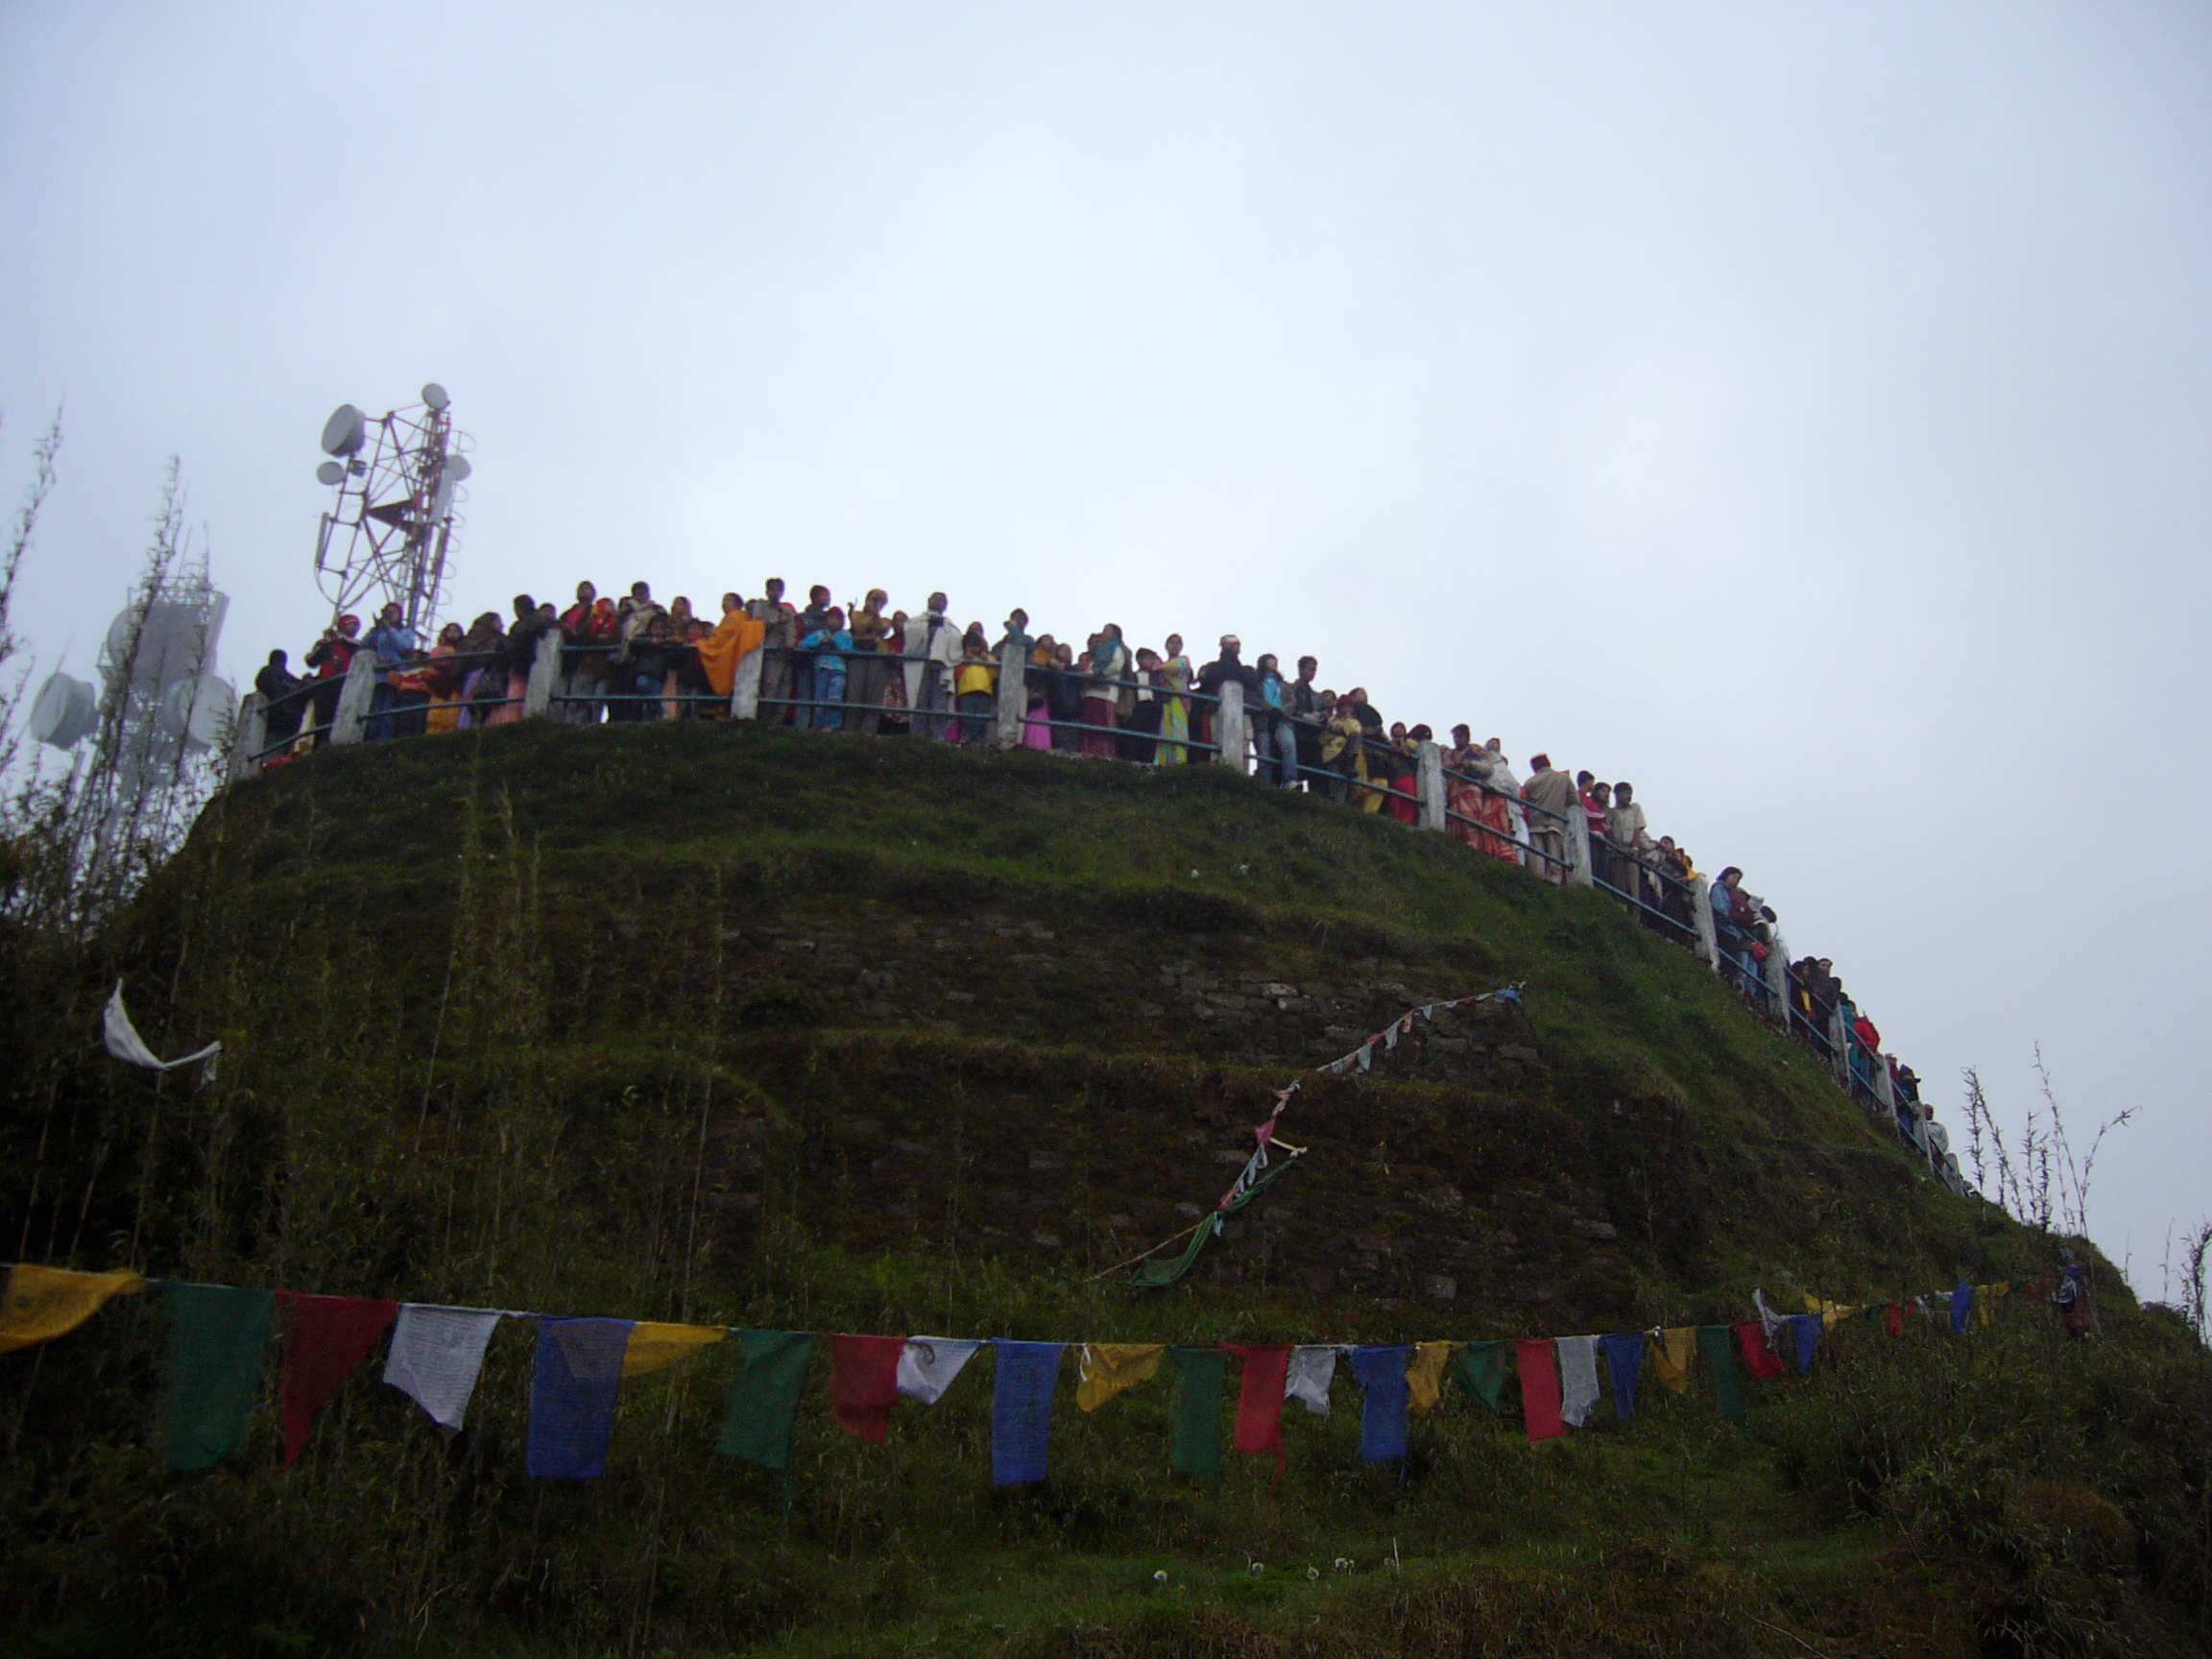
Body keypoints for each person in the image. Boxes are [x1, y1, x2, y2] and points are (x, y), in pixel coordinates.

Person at [902, 593, 960, 742]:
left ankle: (937, 739)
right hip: (920, 666)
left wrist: (941, 631)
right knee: (918, 702)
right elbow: (911, 637)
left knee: (938, 705)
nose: (938, 602)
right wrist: (928, 627)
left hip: (941, 668)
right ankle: (917, 738)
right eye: (935, 598)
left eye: (942, 600)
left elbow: (956, 642)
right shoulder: (917, 621)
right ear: (928, 601)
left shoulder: (950, 626)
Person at [360, 602, 420, 740]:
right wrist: (376, 629)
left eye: (393, 612)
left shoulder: (406, 632)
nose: (390, 614)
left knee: (388, 713)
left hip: (396, 675)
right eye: (387, 611)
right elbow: (363, 648)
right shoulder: (379, 633)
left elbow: (404, 647)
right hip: (379, 677)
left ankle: (383, 741)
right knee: (374, 712)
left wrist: (390, 630)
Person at [696, 592, 765, 709]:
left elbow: (721, 638)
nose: (724, 603)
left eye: (728, 600)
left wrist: (701, 644)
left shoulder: (736, 616)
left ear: (738, 604)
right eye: (723, 600)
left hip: (732, 658)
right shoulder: (733, 617)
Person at [744, 580, 798, 725]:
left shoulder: (787, 610)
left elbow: (792, 629)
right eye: (772, 590)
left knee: (784, 692)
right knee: (770, 688)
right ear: (767, 591)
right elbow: (758, 625)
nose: (776, 593)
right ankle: (763, 723)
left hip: (786, 656)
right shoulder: (760, 607)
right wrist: (777, 621)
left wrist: (790, 643)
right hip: (770, 655)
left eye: (779, 590)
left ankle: (777, 723)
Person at [303, 613, 360, 741]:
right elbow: (311, 661)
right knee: (322, 717)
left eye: (358, 626)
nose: (356, 628)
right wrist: (326, 643)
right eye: (353, 624)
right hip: (325, 683)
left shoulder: (355, 645)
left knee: (339, 715)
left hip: (344, 683)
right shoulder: (327, 643)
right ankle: (320, 744)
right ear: (344, 624)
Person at [1521, 754, 1576, 883]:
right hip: (1555, 822)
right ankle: (1554, 881)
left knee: (1537, 853)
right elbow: (1574, 800)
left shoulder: (1530, 782)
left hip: (1535, 822)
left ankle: (1537, 879)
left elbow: (1524, 801)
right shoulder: (1563, 778)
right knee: (1554, 853)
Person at [847, 590, 892, 734]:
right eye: (873, 599)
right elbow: (859, 627)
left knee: (873, 696)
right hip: (858, 656)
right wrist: (871, 615)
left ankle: (868, 731)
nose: (876, 603)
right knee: (854, 694)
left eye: (880, 601)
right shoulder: (857, 615)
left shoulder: (885, 619)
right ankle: (850, 731)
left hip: (877, 657)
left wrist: (875, 614)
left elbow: (883, 629)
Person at [1078, 628, 1127, 758]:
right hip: (1093, 692)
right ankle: (1088, 753)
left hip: (1107, 693)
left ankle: (1105, 755)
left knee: (1104, 724)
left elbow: (1116, 667)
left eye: (1107, 630)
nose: (1103, 633)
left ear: (1115, 635)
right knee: (1090, 724)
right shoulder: (1100, 651)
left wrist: (1098, 673)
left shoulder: (1117, 648)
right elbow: (1092, 666)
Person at [803, 607, 854, 730]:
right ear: (826, 620)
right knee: (820, 698)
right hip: (821, 670)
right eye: (831, 618)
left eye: (838, 619)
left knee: (835, 698)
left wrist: (834, 643)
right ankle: (818, 726)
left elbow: (850, 650)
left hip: (839, 671)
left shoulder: (846, 635)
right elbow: (803, 644)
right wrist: (819, 643)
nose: (834, 622)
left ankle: (831, 726)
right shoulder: (819, 634)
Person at [1252, 654, 1297, 785]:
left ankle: (1290, 779)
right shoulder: (1257, 683)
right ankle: (1265, 782)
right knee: (1264, 753)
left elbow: (1292, 702)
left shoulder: (1284, 685)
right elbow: (1255, 699)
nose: (1274, 663)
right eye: (1271, 660)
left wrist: (1281, 711)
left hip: (1281, 721)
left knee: (1289, 745)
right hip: (1263, 722)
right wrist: (1269, 708)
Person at [455, 612, 506, 726]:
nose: (502, 626)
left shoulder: (470, 637)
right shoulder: (494, 638)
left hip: (470, 674)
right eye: (499, 622)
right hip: (483, 673)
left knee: (468, 702)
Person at [1607, 781, 1651, 910]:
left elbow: (1638, 829)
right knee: (1619, 883)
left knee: (1634, 887)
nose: (1628, 796)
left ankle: (1635, 916)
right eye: (1625, 793)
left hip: (1632, 850)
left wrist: (1635, 847)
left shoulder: (1635, 808)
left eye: (1630, 794)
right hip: (1617, 850)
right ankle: (1622, 911)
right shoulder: (1612, 812)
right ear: (1617, 795)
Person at [953, 622, 998, 744]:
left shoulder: (989, 658)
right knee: (966, 717)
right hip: (966, 691)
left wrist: (986, 660)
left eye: (976, 645)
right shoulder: (961, 658)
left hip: (984, 692)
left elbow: (995, 674)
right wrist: (966, 660)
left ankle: (979, 741)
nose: (974, 648)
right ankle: (965, 738)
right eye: (970, 645)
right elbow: (957, 674)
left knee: (982, 718)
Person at [1319, 693, 1365, 803]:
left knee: (1342, 782)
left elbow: (1354, 733)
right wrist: (1332, 728)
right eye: (1346, 706)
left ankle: (1351, 763)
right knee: (1335, 781)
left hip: (1346, 753)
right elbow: (1323, 739)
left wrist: (1341, 727)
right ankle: (1334, 802)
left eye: (1350, 707)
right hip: (1332, 754)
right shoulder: (1330, 721)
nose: (1348, 709)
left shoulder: (1352, 721)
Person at [254, 649, 304, 750]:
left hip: (274, 720)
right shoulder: (293, 679)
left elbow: (260, 685)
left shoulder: (267, 671)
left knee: (270, 754)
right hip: (293, 724)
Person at [422, 622, 466, 734]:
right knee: (436, 715)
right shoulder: (438, 649)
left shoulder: (463, 648)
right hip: (439, 685)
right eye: (450, 631)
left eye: (456, 631)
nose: (452, 634)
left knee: (452, 714)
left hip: (454, 685)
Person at [1122, 646, 1164, 762]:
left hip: (1153, 708)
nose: (1151, 662)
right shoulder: (1132, 676)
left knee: (1150, 738)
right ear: (1139, 660)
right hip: (1138, 708)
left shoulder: (1157, 677)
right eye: (1148, 659)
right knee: (1134, 737)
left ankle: (1148, 762)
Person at [1288, 656, 1324, 788]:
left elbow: (1323, 713)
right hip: (1295, 733)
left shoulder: (1316, 696)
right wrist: (1303, 716)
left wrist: (1320, 718)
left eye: (1315, 670)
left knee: (1316, 770)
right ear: (1301, 670)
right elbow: (1288, 709)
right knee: (1296, 766)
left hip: (1312, 737)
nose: (1313, 673)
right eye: (1311, 669)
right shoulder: (1290, 689)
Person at [1156, 635, 1192, 764]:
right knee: (1164, 731)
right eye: (1171, 643)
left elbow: (1172, 669)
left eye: (1178, 643)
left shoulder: (1184, 660)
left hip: (1179, 700)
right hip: (1165, 701)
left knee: (1178, 731)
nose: (1174, 646)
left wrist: (1158, 667)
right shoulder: (1162, 663)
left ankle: (1179, 763)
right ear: (1166, 646)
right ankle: (1163, 762)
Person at [1045, 640, 1084, 751]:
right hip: (1057, 709)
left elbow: (1079, 672)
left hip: (1074, 710)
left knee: (1073, 742)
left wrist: (1064, 667)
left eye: (1069, 650)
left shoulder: (1075, 669)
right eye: (1063, 649)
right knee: (1058, 741)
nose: (1067, 652)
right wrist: (1051, 663)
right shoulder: (1051, 669)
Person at [1382, 722, 1418, 824]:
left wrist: (1406, 753)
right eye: (1397, 728)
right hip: (1394, 778)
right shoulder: (1387, 745)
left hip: (1407, 777)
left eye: (1402, 728)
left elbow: (1415, 761)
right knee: (1395, 804)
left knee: (1408, 802)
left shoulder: (1410, 745)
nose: (1399, 730)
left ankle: (1406, 825)